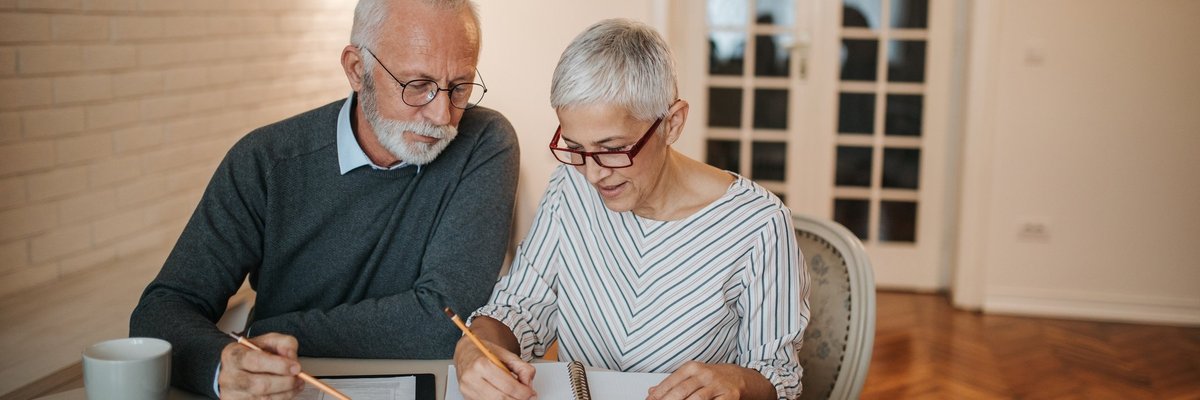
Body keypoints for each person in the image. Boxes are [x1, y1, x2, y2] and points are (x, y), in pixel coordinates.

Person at [129, 0, 519, 398]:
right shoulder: (265, 160)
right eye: (417, 85)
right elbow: (160, 312)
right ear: (356, 69)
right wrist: (224, 365)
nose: (441, 114)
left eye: (460, 87)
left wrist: (266, 332)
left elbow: (445, 321)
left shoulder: (483, 141)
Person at [453, 19, 810, 400]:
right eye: (575, 147)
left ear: (672, 124)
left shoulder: (759, 224)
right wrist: (474, 346)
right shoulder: (568, 187)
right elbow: (519, 308)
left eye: (612, 149)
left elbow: (780, 376)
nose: (592, 173)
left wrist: (738, 382)